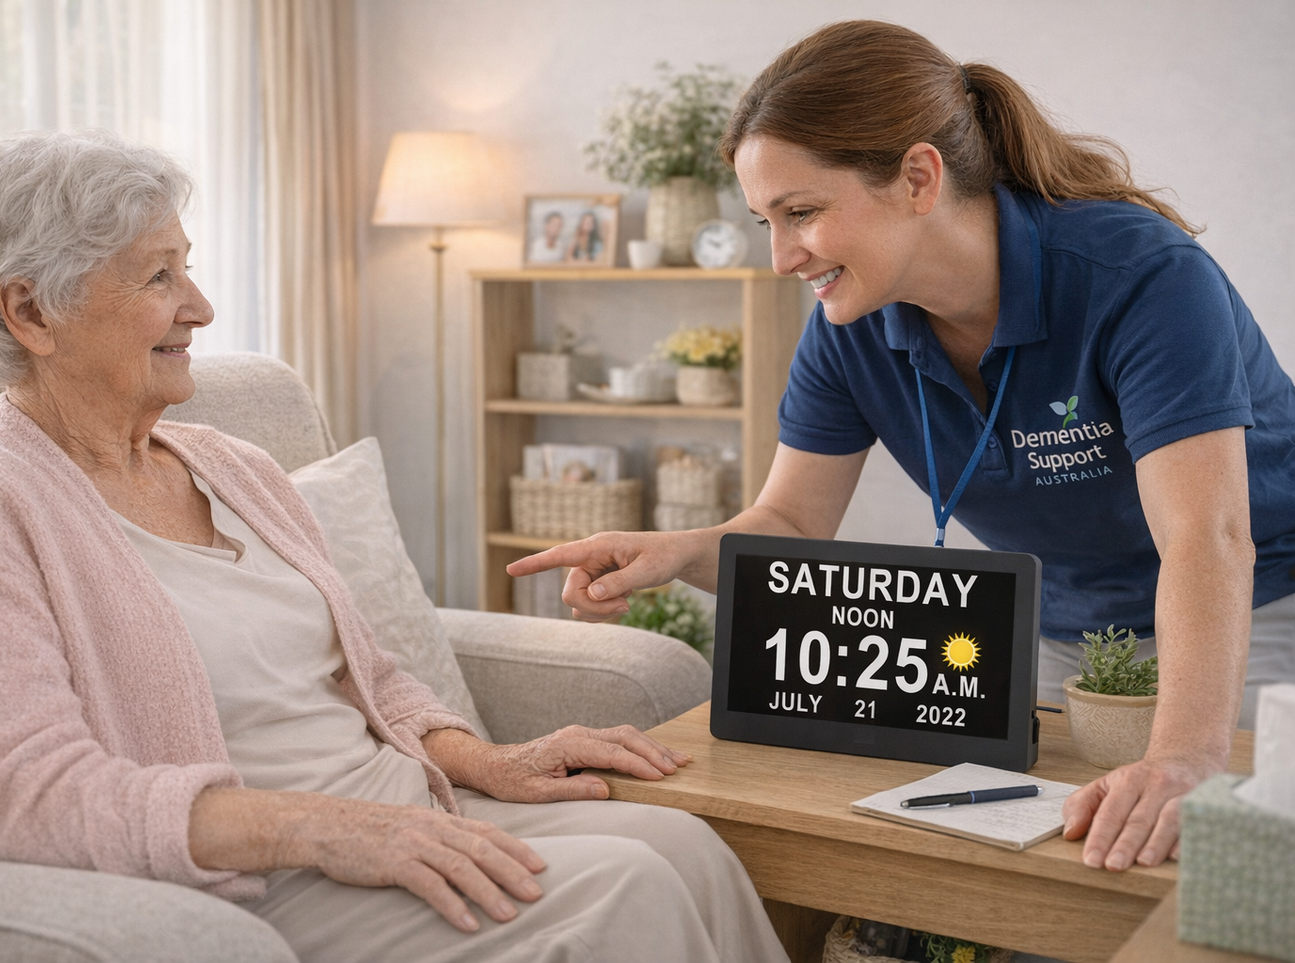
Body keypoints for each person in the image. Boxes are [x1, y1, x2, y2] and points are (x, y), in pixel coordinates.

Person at [0, 129, 788, 963]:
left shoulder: (231, 466)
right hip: (266, 874)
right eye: (157, 277)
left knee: (682, 844)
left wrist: (484, 760)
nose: (199, 305)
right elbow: (17, 794)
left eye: (186, 268)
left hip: (404, 814)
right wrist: (320, 829)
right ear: (30, 310)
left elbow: (373, 672)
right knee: (622, 889)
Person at [512, 20, 1295, 876]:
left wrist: (1182, 754)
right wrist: (671, 552)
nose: (780, 257)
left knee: (1202, 861)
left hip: (1257, 604)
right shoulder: (846, 325)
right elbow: (791, 523)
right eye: (764, 221)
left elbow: (1207, 537)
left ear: (918, 178)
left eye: (801, 213)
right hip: (1063, 625)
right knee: (1014, 870)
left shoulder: (1139, 275)